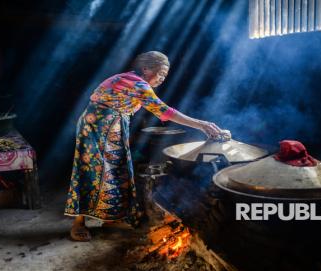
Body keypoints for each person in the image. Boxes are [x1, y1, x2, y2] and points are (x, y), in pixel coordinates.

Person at [64, 51, 226, 241]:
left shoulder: (131, 82)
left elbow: (129, 107)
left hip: (112, 125)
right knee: (89, 171)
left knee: (116, 171)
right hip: (97, 125)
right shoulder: (137, 83)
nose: (162, 79)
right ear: (146, 69)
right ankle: (78, 223)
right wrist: (202, 125)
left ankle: (110, 217)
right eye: (161, 74)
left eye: (165, 76)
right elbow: (164, 111)